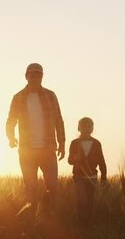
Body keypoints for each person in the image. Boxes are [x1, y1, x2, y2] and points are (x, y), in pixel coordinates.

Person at [6, 63, 65, 209]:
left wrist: (62, 143)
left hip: (48, 149)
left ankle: (49, 216)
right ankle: (30, 220)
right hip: (27, 151)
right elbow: (11, 121)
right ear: (26, 76)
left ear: (42, 77)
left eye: (38, 74)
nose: (35, 77)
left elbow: (58, 119)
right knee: (30, 187)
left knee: (52, 186)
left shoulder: (50, 96)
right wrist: (11, 137)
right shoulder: (18, 97)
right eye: (32, 74)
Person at [68, 117, 107, 224]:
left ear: (92, 128)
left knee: (90, 200)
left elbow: (101, 161)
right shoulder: (74, 143)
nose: (87, 127)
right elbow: (70, 160)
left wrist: (103, 177)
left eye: (90, 125)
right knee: (82, 198)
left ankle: (87, 222)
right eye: (85, 125)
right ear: (79, 128)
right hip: (79, 176)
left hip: (92, 177)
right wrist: (76, 158)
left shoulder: (96, 143)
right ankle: (79, 218)